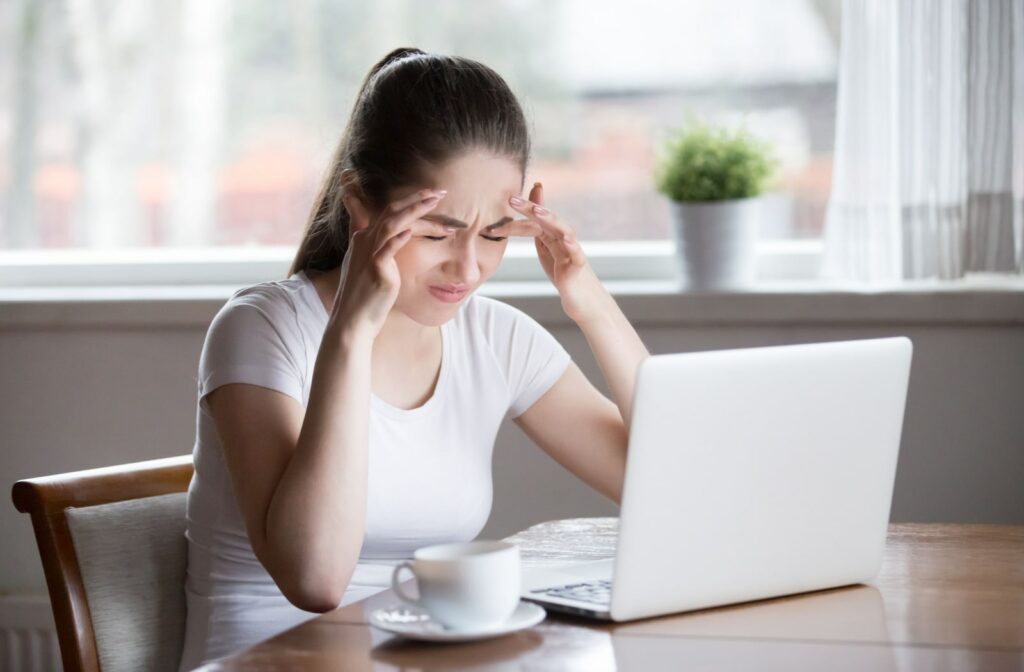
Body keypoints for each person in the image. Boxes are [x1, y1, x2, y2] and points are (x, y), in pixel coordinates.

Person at [176, 47, 650, 670]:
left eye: (494, 235)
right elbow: (315, 580)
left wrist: (590, 302)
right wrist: (350, 329)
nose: (468, 267)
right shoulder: (262, 328)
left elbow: (666, 484)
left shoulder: (497, 339)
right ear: (360, 204)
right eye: (435, 231)